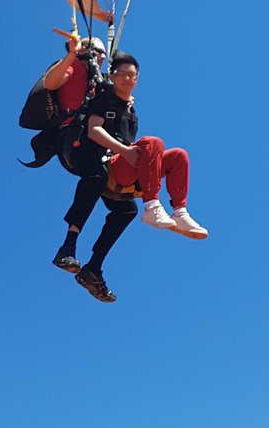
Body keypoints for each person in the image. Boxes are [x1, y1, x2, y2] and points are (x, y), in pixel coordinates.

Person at [53, 51, 208, 303]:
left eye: (132, 75)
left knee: (177, 157)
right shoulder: (104, 98)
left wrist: (135, 155)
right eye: (122, 74)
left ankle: (178, 212)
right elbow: (94, 130)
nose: (127, 78)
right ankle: (151, 205)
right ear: (112, 76)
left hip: (126, 175)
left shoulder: (131, 113)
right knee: (151, 143)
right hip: (110, 165)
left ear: (137, 79)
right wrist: (124, 150)